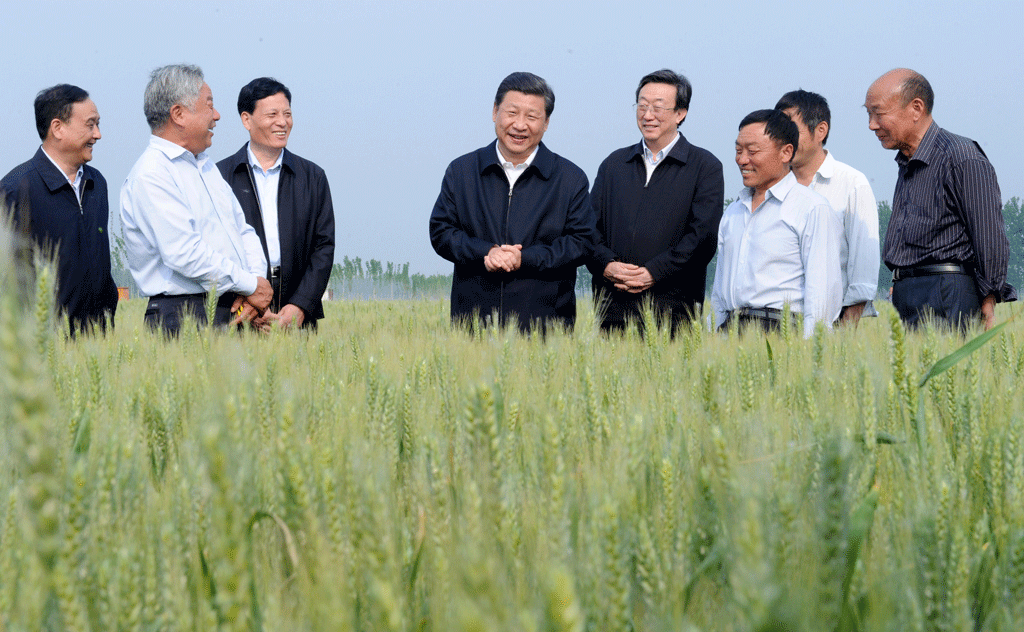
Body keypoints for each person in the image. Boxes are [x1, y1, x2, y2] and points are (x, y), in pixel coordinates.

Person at [429, 72, 595, 333]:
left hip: (547, 330)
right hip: (473, 328)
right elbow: (442, 232)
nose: (520, 125)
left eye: (532, 117)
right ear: (495, 112)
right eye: (512, 113)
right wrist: (486, 252)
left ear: (546, 122)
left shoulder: (570, 179)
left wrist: (524, 259)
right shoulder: (461, 171)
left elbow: (581, 243)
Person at [120, 64, 271, 335]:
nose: (217, 116)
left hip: (234, 307)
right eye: (208, 105)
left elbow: (243, 230)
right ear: (178, 114)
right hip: (185, 315)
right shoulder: (152, 174)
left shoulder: (206, 167)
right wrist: (250, 285)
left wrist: (255, 284)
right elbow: (184, 253)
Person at [865, 68, 1016, 330]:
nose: (872, 125)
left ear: (916, 108)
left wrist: (988, 302)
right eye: (868, 114)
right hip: (906, 294)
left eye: (878, 113)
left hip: (946, 293)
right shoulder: (906, 161)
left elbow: (989, 236)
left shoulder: (961, 157)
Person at [587, 69, 724, 336]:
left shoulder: (704, 167)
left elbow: (702, 238)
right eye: (642, 105)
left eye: (658, 107)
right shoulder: (614, 164)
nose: (647, 115)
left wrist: (653, 272)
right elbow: (588, 229)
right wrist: (607, 265)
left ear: (680, 113)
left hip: (673, 314)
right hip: (613, 312)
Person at [711, 109, 843, 338]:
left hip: (781, 333)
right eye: (738, 150)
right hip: (730, 334)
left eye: (752, 151)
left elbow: (821, 294)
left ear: (786, 152)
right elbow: (719, 291)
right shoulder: (733, 211)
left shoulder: (811, 208)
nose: (742, 160)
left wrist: (811, 351)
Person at [1, 84, 118, 336]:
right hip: (42, 348)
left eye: (98, 124)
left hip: (98, 343)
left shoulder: (97, 183)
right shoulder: (15, 190)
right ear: (58, 128)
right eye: (90, 124)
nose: (97, 134)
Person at [218, 77, 335, 331]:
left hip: (297, 315)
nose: (282, 122)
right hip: (240, 312)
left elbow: (323, 247)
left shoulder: (313, 177)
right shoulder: (220, 176)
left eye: (287, 114)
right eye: (272, 114)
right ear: (246, 119)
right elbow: (215, 244)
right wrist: (250, 296)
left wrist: (301, 306)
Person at [775, 89, 879, 326]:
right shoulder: (772, 188)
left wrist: (844, 332)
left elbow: (864, 267)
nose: (782, 138)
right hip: (776, 323)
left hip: (831, 322)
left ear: (820, 130)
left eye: (790, 129)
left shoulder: (851, 183)